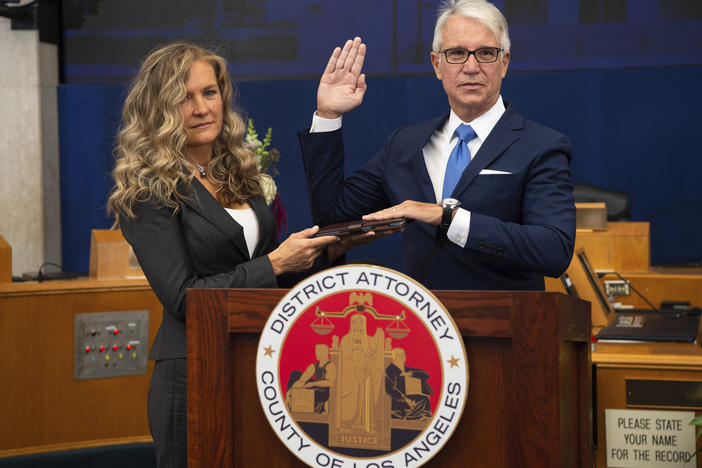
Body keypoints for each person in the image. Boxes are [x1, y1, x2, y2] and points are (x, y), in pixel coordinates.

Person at [106, 43, 343, 467]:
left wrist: (330, 249)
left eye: (209, 92)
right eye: (184, 97)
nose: (201, 108)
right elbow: (184, 297)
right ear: (158, 110)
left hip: (261, 360)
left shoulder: (239, 171)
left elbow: (269, 273)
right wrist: (274, 263)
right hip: (192, 371)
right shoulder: (147, 190)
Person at [298, 0, 576, 290]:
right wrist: (328, 116)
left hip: (504, 325)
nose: (471, 67)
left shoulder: (541, 146)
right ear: (437, 65)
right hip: (420, 328)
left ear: (504, 63)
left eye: (485, 53)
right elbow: (331, 219)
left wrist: (448, 218)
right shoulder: (404, 145)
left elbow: (553, 250)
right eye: (456, 53)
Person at [384, 348, 432, 421]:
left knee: (424, 399)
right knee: (422, 401)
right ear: (394, 358)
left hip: (409, 394)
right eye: (398, 355)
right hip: (397, 398)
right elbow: (390, 389)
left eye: (403, 354)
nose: (401, 357)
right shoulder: (390, 370)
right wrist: (405, 399)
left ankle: (416, 415)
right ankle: (411, 416)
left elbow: (426, 375)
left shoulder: (406, 369)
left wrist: (410, 374)